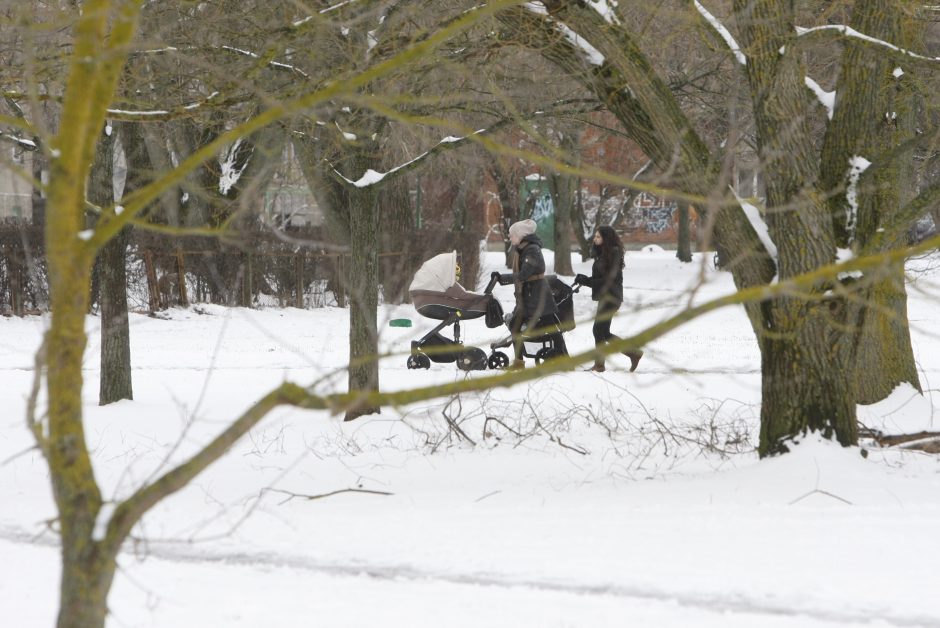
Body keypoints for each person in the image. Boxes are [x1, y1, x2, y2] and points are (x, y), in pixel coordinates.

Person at [493, 219, 567, 369]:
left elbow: (524, 274)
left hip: (538, 297)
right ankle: (519, 362)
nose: (510, 237)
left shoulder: (532, 249)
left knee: (551, 328)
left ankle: (565, 359)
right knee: (516, 325)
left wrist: (503, 278)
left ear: (521, 235)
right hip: (530, 297)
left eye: (512, 235)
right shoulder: (523, 249)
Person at [575, 226, 643, 372]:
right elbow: (600, 278)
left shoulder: (613, 254)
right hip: (606, 297)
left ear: (606, 238)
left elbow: (608, 280)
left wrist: (587, 281)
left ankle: (600, 364)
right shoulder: (603, 254)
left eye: (598, 237)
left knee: (598, 331)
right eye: (595, 237)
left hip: (611, 297)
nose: (595, 239)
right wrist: (585, 279)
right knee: (602, 332)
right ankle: (632, 353)